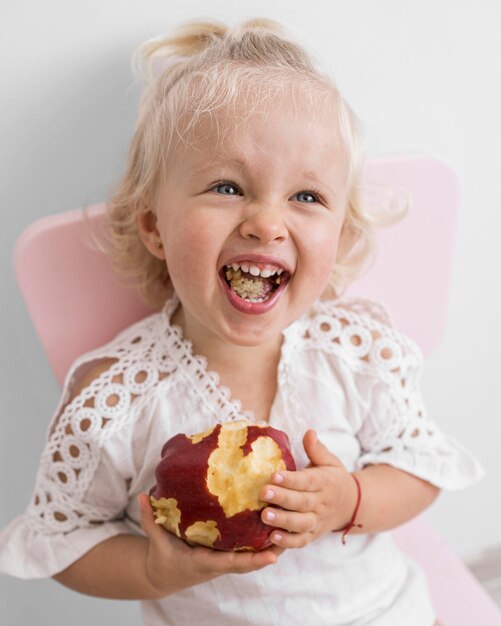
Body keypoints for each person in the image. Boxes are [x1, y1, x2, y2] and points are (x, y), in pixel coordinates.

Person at [0, 17, 484, 626]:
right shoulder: (116, 396)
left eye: (306, 197)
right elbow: (65, 545)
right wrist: (154, 570)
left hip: (378, 613)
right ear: (153, 224)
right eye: (227, 187)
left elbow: (422, 468)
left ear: (341, 234)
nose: (267, 223)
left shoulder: (356, 354)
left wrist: (350, 499)